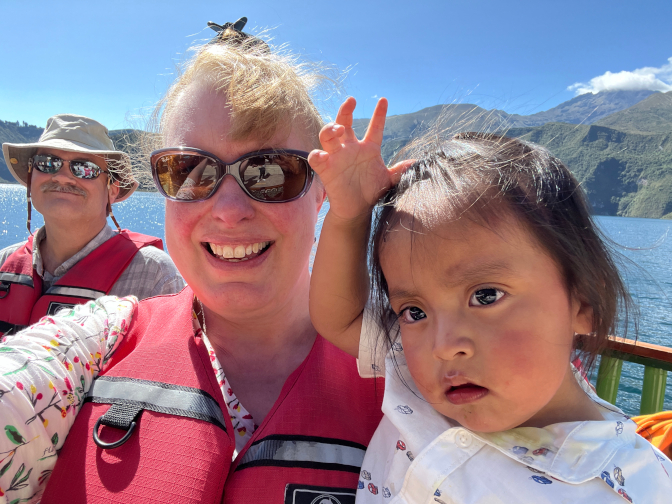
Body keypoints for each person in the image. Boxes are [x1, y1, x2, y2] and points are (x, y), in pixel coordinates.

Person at [0, 21, 385, 504]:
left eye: (270, 173)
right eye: (188, 170)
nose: (227, 210)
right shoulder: (99, 343)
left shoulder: (417, 366)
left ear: (322, 191)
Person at [308, 97, 672, 503]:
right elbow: (340, 316)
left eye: (485, 296)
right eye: (414, 312)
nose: (445, 346)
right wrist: (350, 216)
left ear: (583, 302)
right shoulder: (412, 374)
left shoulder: (637, 486)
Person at [0, 115, 185, 336]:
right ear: (32, 178)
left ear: (112, 190)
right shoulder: (4, 263)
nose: (62, 177)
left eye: (84, 168)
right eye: (48, 163)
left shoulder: (154, 276)